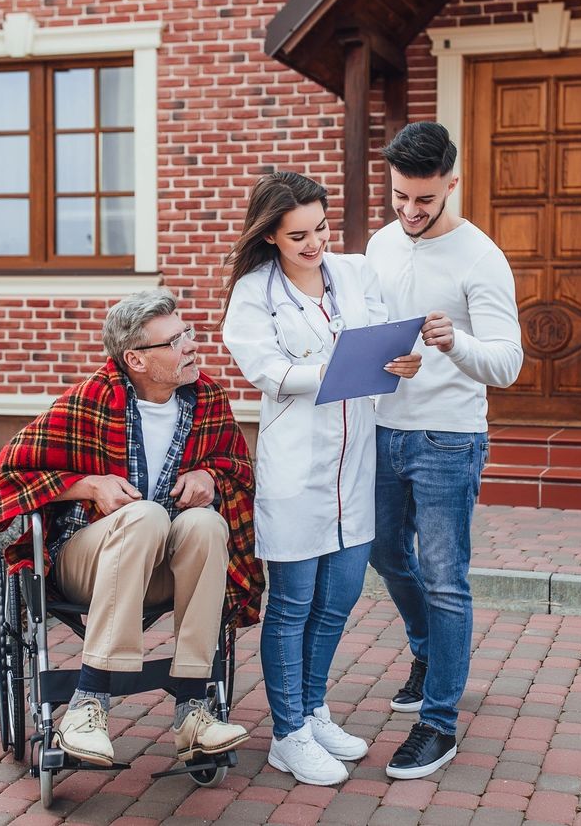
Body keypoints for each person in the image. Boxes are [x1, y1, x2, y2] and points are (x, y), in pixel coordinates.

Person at [0, 290, 264, 768]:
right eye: (174, 341)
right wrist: (88, 485)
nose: (191, 345)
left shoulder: (207, 399)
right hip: (88, 563)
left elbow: (238, 469)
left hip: (162, 568)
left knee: (205, 524)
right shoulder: (92, 400)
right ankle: (87, 705)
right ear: (135, 359)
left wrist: (210, 477)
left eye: (187, 332)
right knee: (145, 515)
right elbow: (7, 474)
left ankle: (194, 710)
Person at [221, 171, 422, 786]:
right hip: (297, 470)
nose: (314, 244)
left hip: (355, 464)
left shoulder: (354, 273)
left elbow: (382, 339)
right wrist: (338, 368)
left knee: (337, 602)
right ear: (270, 235)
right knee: (293, 606)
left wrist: (400, 362)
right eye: (298, 235)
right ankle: (287, 735)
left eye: (321, 229)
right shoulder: (254, 293)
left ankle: (312, 712)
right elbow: (269, 373)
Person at [367, 122, 523, 779]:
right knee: (381, 552)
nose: (409, 210)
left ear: (451, 184)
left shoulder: (480, 257)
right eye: (400, 196)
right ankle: (429, 650)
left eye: (424, 199)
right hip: (383, 427)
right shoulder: (380, 244)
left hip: (448, 439)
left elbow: (508, 363)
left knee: (444, 578)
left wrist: (453, 342)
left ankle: (438, 723)